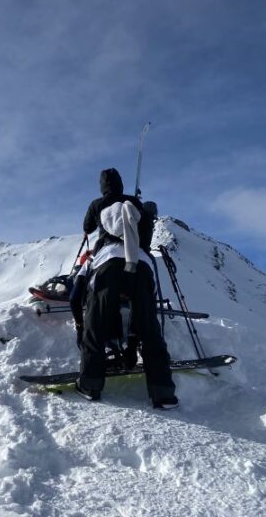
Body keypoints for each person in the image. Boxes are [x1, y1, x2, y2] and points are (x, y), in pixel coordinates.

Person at [74, 168, 178, 409]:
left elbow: (87, 227)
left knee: (95, 323)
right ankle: (163, 392)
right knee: (149, 328)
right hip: (140, 265)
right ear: (121, 184)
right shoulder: (134, 203)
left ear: (103, 186)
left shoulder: (98, 203)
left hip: (108, 264)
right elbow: (146, 231)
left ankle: (90, 384)